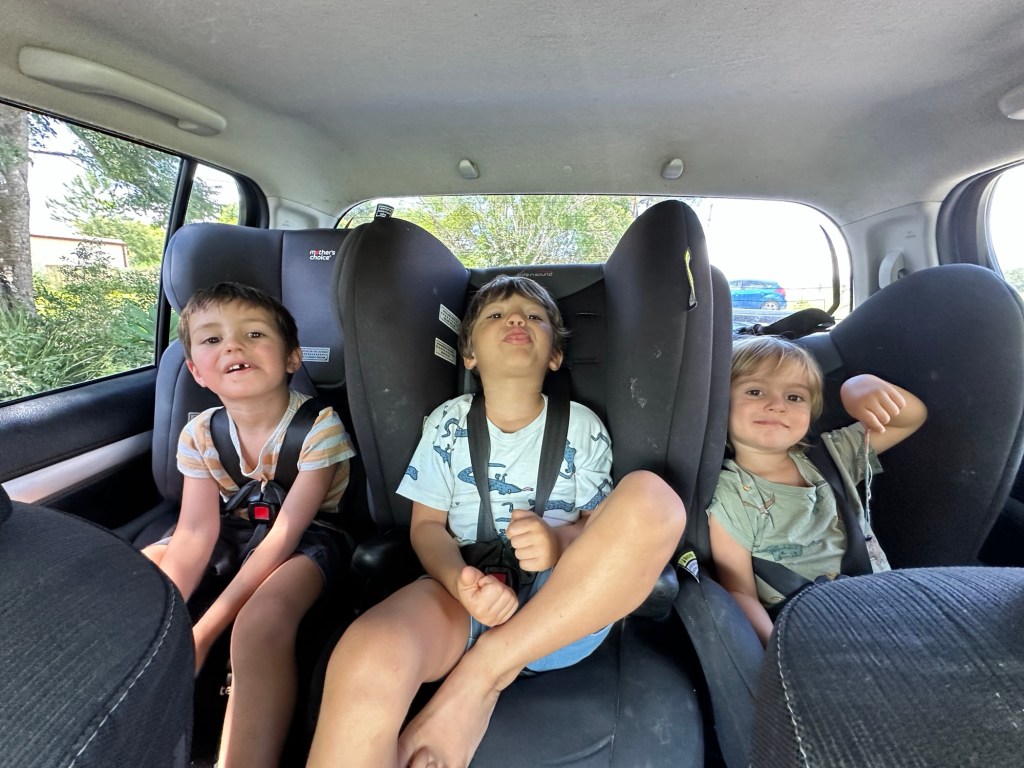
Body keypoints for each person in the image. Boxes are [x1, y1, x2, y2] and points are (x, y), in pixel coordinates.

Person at [307, 275, 687, 768]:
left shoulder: (582, 426)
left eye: (534, 316)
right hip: (463, 589)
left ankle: (483, 674)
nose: (515, 319)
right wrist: (458, 581)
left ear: (555, 355)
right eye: (495, 315)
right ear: (469, 354)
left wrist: (558, 540)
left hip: (562, 604)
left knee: (653, 497)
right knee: (369, 650)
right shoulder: (447, 423)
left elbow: (603, 528)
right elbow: (426, 528)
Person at [142, 282, 355, 768]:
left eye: (254, 334)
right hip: (232, 530)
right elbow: (195, 533)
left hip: (308, 539)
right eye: (212, 339)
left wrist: (202, 634)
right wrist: (166, 623)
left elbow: (284, 538)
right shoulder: (199, 433)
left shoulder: (319, 427)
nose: (234, 346)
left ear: (292, 358)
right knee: (142, 573)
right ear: (196, 370)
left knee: (260, 622)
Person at [708, 335, 928, 645]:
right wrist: (774, 650)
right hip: (812, 630)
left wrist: (858, 386)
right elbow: (739, 590)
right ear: (721, 402)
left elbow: (911, 418)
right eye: (755, 391)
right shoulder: (731, 493)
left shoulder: (833, 455)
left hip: (884, 603)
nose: (777, 406)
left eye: (794, 397)